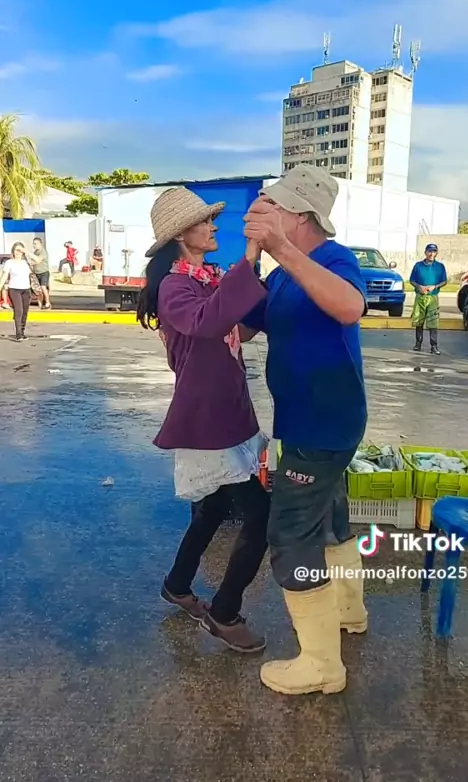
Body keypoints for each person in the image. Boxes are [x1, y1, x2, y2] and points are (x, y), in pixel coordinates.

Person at [241, 164, 368, 696]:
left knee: (292, 534)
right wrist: (252, 258)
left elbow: (350, 306)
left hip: (325, 420)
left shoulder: (335, 260)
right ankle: (348, 611)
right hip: (303, 419)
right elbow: (244, 327)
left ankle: (320, 664)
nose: (263, 212)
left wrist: (281, 250)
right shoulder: (279, 276)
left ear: (300, 215)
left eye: (273, 206)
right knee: (330, 514)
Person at [137, 186, 271, 653]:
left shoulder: (204, 278)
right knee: (260, 515)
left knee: (212, 508)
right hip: (208, 418)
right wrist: (249, 259)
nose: (214, 227)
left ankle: (177, 585)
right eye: (205, 221)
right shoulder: (175, 286)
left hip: (226, 410)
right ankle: (224, 612)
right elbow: (209, 322)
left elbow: (235, 329)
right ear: (181, 234)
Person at [409, 244, 447, 355]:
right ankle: (418, 343)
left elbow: (444, 281)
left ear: (436, 253)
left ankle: (434, 346)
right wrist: (419, 287)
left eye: (434, 251)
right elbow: (412, 280)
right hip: (420, 297)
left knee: (433, 322)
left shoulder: (440, 266)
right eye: (429, 251)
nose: (431, 254)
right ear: (425, 252)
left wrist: (434, 286)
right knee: (418, 321)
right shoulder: (418, 266)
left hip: (433, 297)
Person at [0, 242, 32, 340]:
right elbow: (4, 276)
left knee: (25, 312)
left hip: (26, 290)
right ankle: (18, 334)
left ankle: (22, 331)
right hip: (14, 290)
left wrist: (27, 252)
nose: (17, 252)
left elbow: (38, 260)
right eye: (16, 250)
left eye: (20, 250)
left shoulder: (25, 262)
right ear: (13, 251)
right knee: (19, 311)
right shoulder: (9, 262)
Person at [29, 237, 51, 310]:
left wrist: (30, 262)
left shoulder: (43, 252)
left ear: (41, 243)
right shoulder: (35, 252)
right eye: (33, 244)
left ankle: (47, 303)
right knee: (38, 290)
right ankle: (40, 305)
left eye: (36, 244)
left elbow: (38, 260)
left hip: (44, 273)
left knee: (43, 287)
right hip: (36, 273)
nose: (34, 245)